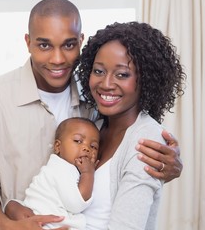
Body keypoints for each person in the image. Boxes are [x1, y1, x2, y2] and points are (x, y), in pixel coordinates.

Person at [0, 0, 183, 230]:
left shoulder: (98, 100)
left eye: (68, 45)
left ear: (80, 41)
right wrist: (5, 225)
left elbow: (131, 149)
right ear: (28, 42)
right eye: (44, 45)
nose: (57, 59)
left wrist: (170, 166)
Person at [75, 21, 186, 229]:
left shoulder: (147, 141)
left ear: (146, 80)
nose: (106, 84)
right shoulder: (94, 126)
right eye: (98, 71)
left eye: (122, 74)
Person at [10, 117, 100, 230]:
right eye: (78, 141)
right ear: (58, 147)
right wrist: (88, 173)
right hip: (45, 223)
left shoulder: (63, 168)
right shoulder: (61, 168)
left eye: (93, 146)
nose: (86, 148)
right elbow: (76, 204)